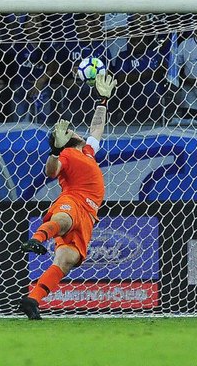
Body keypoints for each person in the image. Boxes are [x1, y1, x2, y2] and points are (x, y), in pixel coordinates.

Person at [19, 73, 117, 320]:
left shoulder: (87, 151)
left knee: (66, 260)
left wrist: (102, 100)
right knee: (64, 220)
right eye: (71, 130)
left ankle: (32, 300)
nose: (75, 130)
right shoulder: (66, 156)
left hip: (88, 214)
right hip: (73, 201)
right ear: (67, 140)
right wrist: (54, 151)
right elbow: (51, 172)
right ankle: (37, 238)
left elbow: (97, 127)